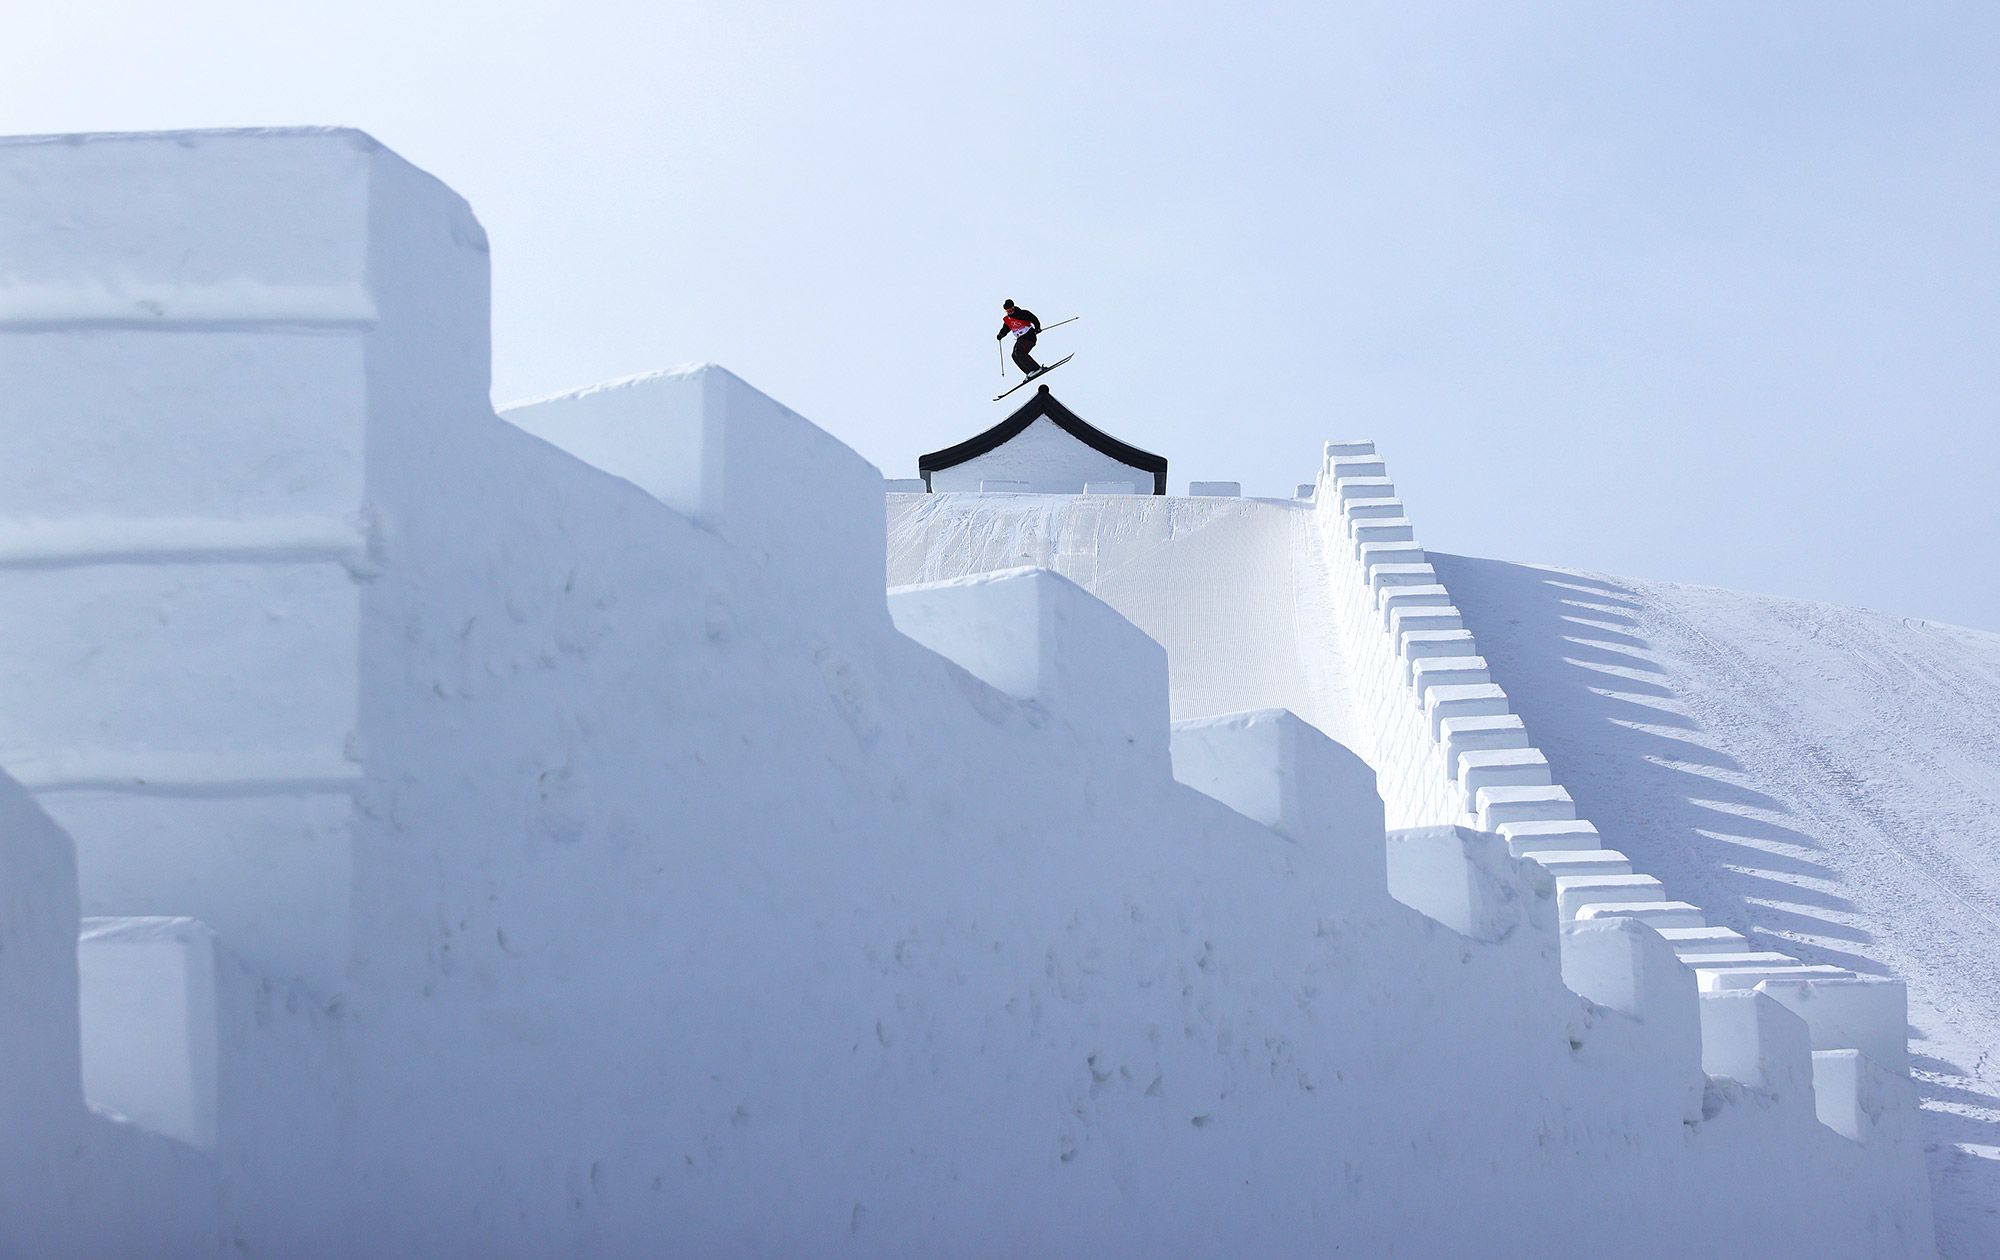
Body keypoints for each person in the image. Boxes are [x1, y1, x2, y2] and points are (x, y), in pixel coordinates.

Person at [996, 299, 1044, 376]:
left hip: (1029, 336)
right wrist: (1000, 335)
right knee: (1014, 355)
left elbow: (1034, 318)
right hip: (1021, 339)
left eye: (1011, 310)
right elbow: (1005, 329)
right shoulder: (1008, 320)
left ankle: (1035, 368)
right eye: (1007, 311)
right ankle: (1029, 372)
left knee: (1019, 352)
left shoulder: (1022, 313)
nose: (1009, 312)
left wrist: (1037, 327)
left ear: (1013, 307)